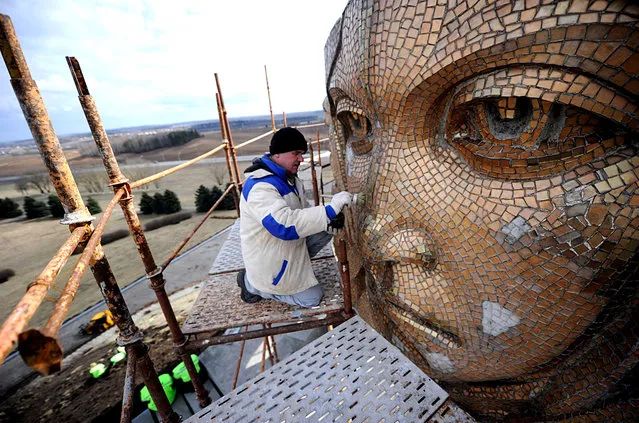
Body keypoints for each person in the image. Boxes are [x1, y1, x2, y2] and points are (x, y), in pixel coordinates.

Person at [237, 127, 352, 307]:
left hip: (280, 248)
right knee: (311, 298)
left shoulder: (289, 178)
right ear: (277, 155)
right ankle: (252, 285)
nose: (301, 159)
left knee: (326, 228)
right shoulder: (260, 186)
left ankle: (293, 268)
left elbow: (303, 211)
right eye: (296, 153)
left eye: (302, 153)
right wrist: (328, 211)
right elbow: (284, 225)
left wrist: (329, 219)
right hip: (270, 257)